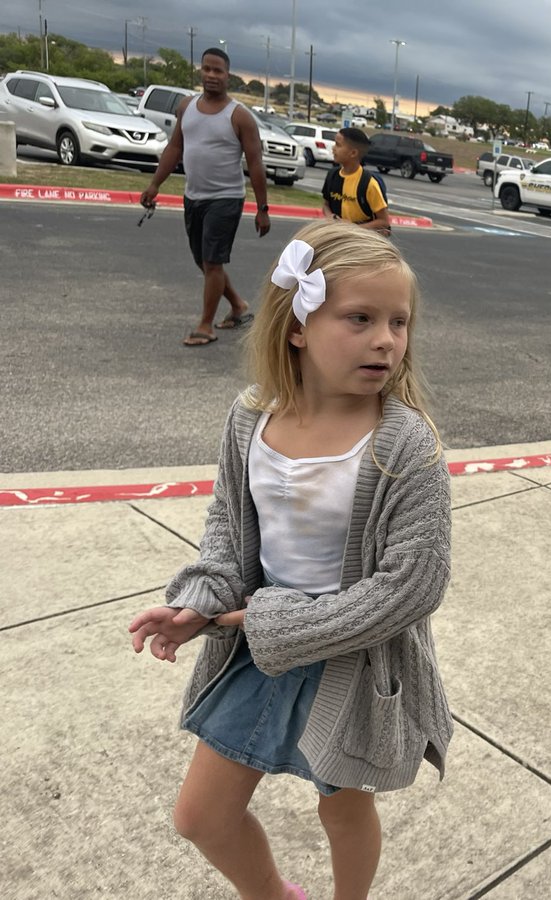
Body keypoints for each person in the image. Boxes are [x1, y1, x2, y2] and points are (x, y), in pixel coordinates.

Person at [128, 219, 453, 900]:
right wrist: (201, 603)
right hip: (258, 643)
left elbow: (414, 586)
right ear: (298, 325)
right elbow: (228, 527)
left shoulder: (405, 444)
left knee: (342, 809)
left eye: (399, 322)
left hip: (353, 656)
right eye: (360, 318)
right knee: (201, 816)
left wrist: (269, 622)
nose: (386, 339)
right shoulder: (250, 419)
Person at [140, 47, 271, 347]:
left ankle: (205, 325)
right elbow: (175, 149)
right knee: (204, 261)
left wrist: (262, 208)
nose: (211, 75)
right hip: (193, 196)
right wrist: (154, 184)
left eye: (218, 71)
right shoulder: (186, 107)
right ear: (200, 71)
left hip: (225, 198)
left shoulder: (239, 116)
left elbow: (255, 164)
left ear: (228, 76)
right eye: (207, 69)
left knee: (212, 262)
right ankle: (237, 305)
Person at [321, 127, 392, 235]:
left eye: (338, 145)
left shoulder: (369, 183)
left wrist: (352, 229)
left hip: (361, 243)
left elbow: (384, 221)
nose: (333, 148)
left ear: (353, 153)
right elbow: (326, 205)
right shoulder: (332, 175)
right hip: (337, 237)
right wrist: (331, 217)